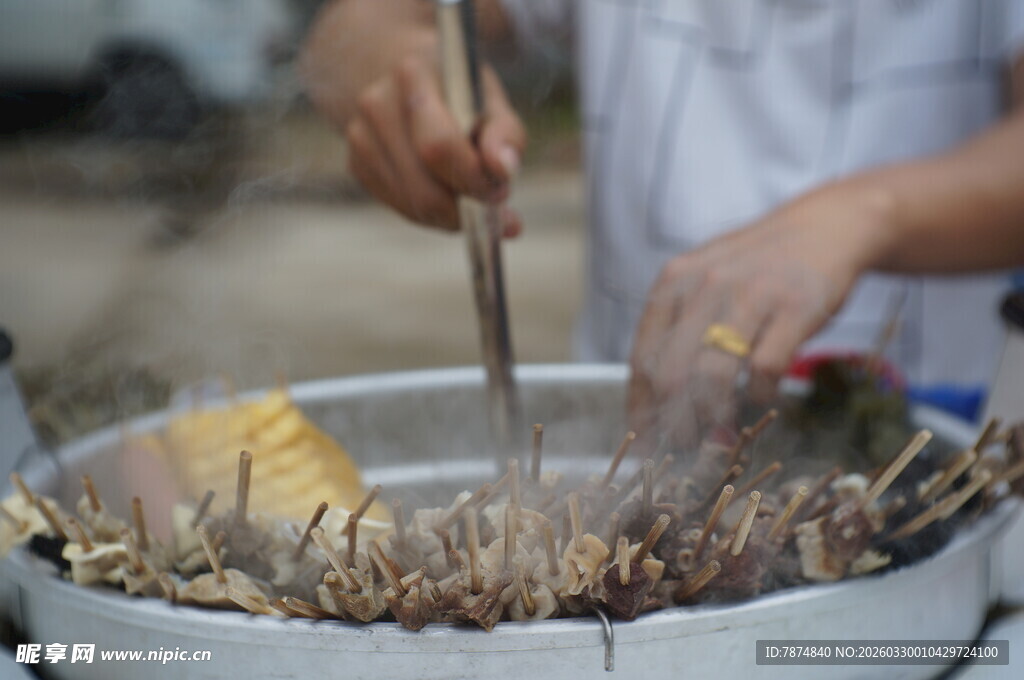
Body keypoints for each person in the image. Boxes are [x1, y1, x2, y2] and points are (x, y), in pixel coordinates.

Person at [302, 0, 1024, 448]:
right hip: (625, 432)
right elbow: (357, 28)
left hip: (936, 426)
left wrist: (865, 214)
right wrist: (402, 79)